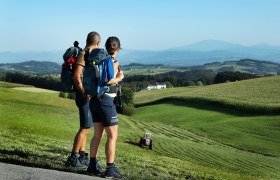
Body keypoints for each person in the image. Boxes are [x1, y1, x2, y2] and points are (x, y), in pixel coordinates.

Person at [87, 36, 124, 179]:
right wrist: (120, 77)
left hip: (95, 100)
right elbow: (107, 81)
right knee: (112, 135)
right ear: (118, 48)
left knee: (97, 135)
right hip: (106, 102)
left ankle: (92, 165)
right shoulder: (113, 61)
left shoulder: (99, 59)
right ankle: (110, 168)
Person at [65, 35, 100, 168]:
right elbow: (76, 75)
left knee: (86, 126)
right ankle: (73, 158)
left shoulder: (86, 54)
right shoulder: (83, 54)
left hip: (85, 95)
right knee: (85, 127)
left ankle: (82, 156)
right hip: (83, 96)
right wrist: (84, 93)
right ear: (98, 42)